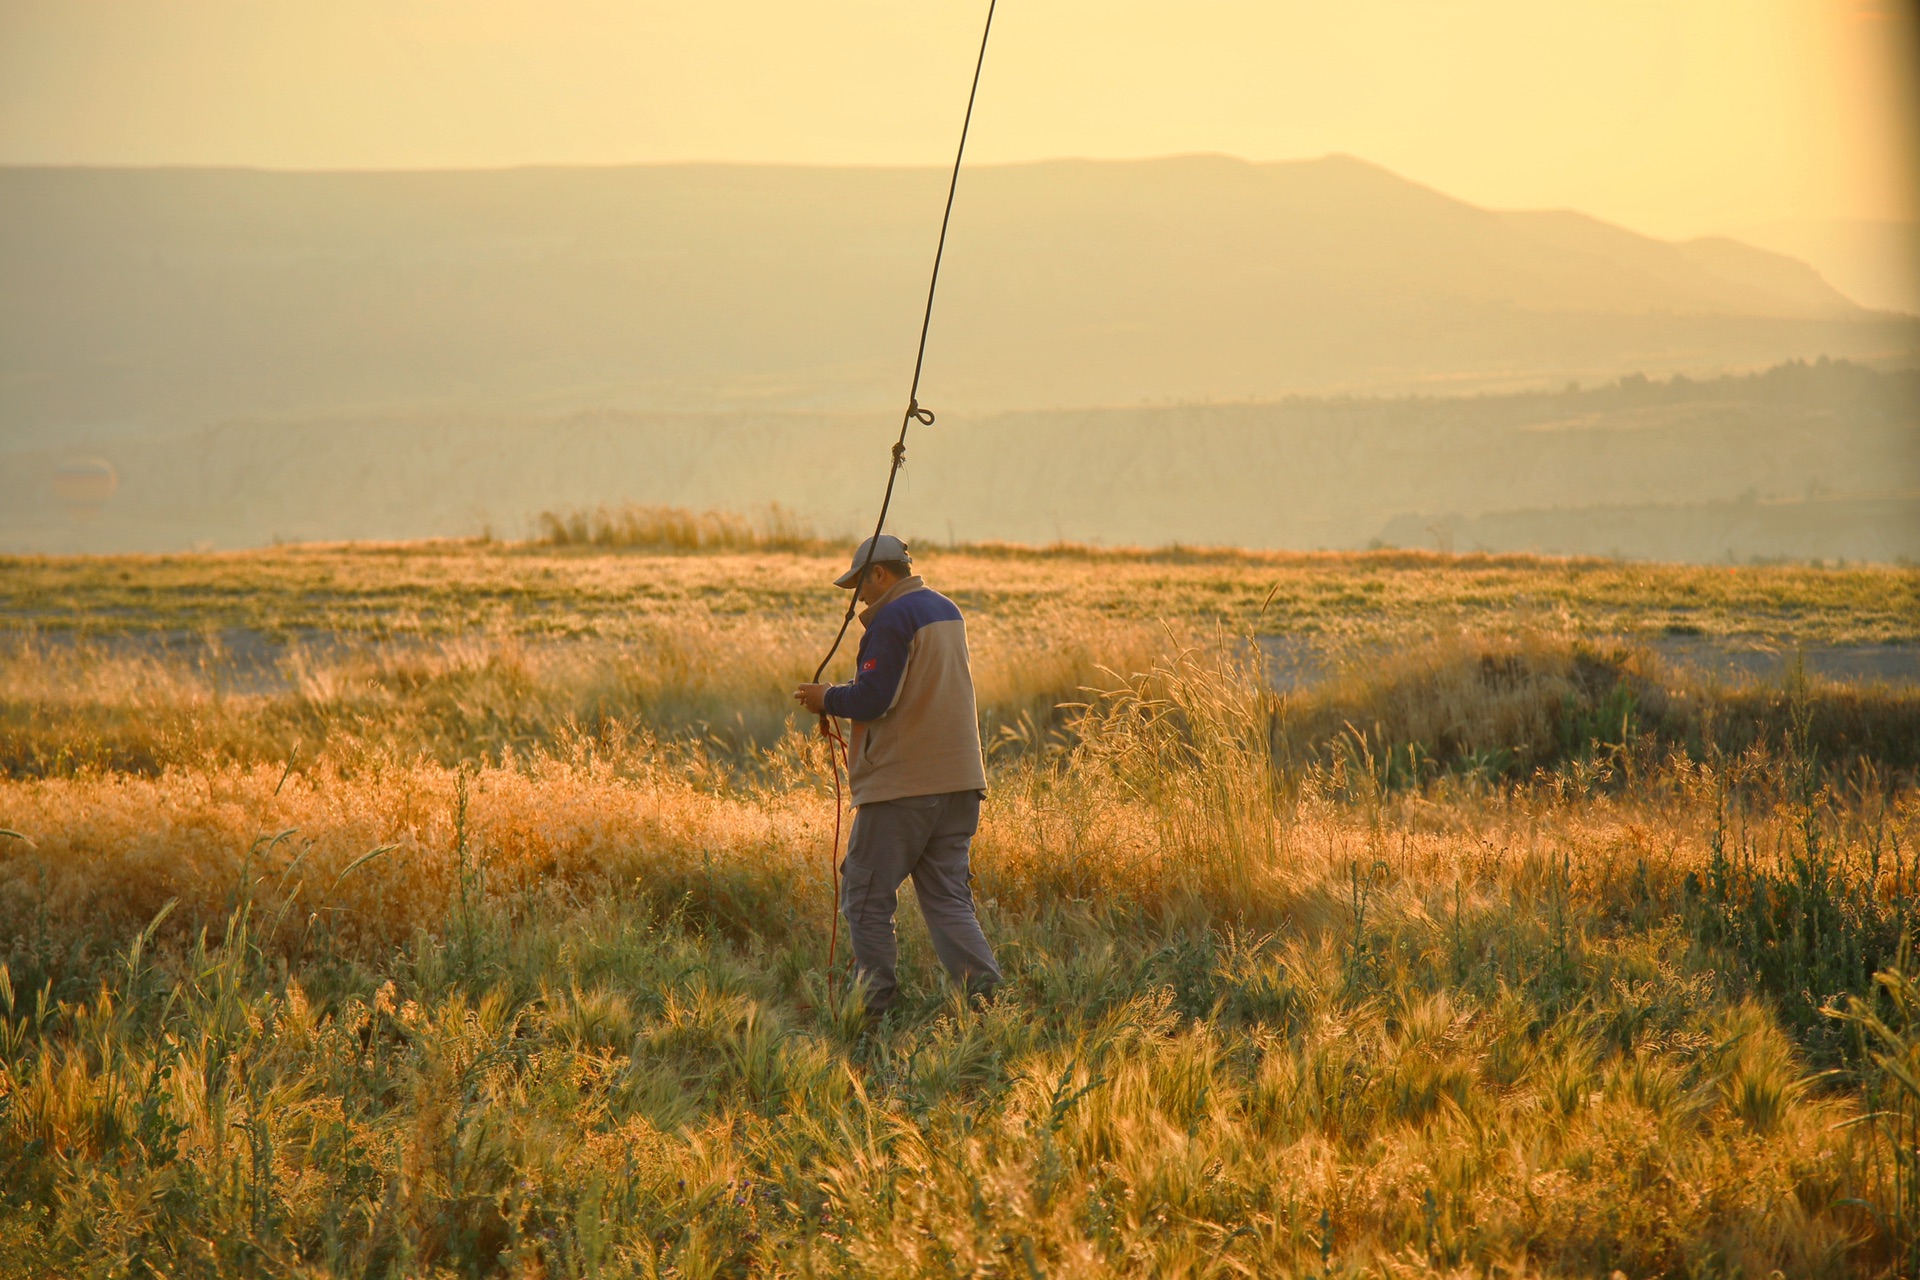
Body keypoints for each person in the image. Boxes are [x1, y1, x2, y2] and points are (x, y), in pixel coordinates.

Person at [793, 534, 1001, 1016]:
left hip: (904, 786)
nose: (858, 597)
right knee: (949, 902)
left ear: (880, 574)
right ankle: (991, 1005)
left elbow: (873, 699)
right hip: (961, 782)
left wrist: (826, 698)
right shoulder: (946, 610)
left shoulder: (891, 617)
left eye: (859, 585)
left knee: (865, 897)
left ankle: (873, 1011)